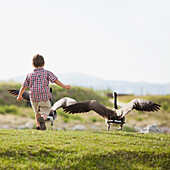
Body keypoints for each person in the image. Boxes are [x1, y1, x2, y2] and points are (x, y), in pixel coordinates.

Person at [17, 54, 71, 130]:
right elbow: (55, 80)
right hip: (44, 97)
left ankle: (39, 126)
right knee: (46, 111)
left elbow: (23, 86)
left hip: (33, 98)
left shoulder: (29, 75)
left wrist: (19, 96)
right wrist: (64, 86)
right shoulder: (47, 73)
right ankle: (42, 119)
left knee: (37, 113)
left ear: (32, 65)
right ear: (44, 64)